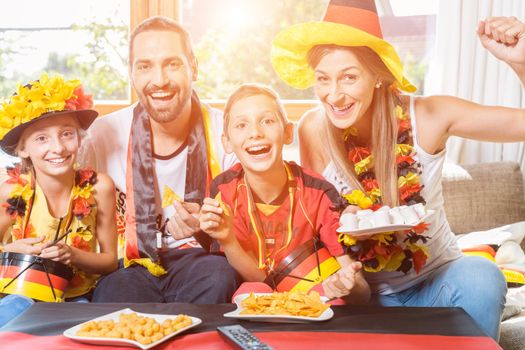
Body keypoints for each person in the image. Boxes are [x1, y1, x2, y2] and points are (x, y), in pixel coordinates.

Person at [270, 0, 525, 340]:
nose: (334, 95)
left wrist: (521, 62)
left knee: (483, 274)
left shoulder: (429, 116)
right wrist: (343, 277)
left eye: (349, 77)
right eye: (323, 79)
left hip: (438, 287)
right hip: (363, 301)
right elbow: (318, 220)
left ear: (377, 75)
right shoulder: (313, 130)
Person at [88, 16, 239, 303]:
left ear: (193, 67)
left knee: (220, 277)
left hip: (203, 260)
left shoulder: (226, 133)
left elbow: (250, 219)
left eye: (172, 64)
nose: (159, 80)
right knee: (110, 295)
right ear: (131, 73)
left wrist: (211, 223)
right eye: (145, 66)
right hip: (127, 263)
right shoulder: (100, 137)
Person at [199, 83, 370, 303]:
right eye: (241, 125)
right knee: (249, 291)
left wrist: (344, 285)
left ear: (288, 133)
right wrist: (229, 240)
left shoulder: (319, 192)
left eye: (267, 121)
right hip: (259, 298)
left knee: (335, 302)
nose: (255, 133)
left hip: (313, 298)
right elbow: (258, 281)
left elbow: (363, 292)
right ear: (227, 142)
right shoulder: (224, 190)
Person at [0, 74, 117, 326]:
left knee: (78, 324)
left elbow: (109, 262)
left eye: (66, 134)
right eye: (42, 138)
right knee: (17, 310)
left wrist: (72, 254)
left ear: (79, 137)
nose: (58, 148)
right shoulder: (10, 192)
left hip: (76, 299)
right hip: (19, 295)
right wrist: (8, 250)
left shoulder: (100, 187)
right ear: (23, 149)